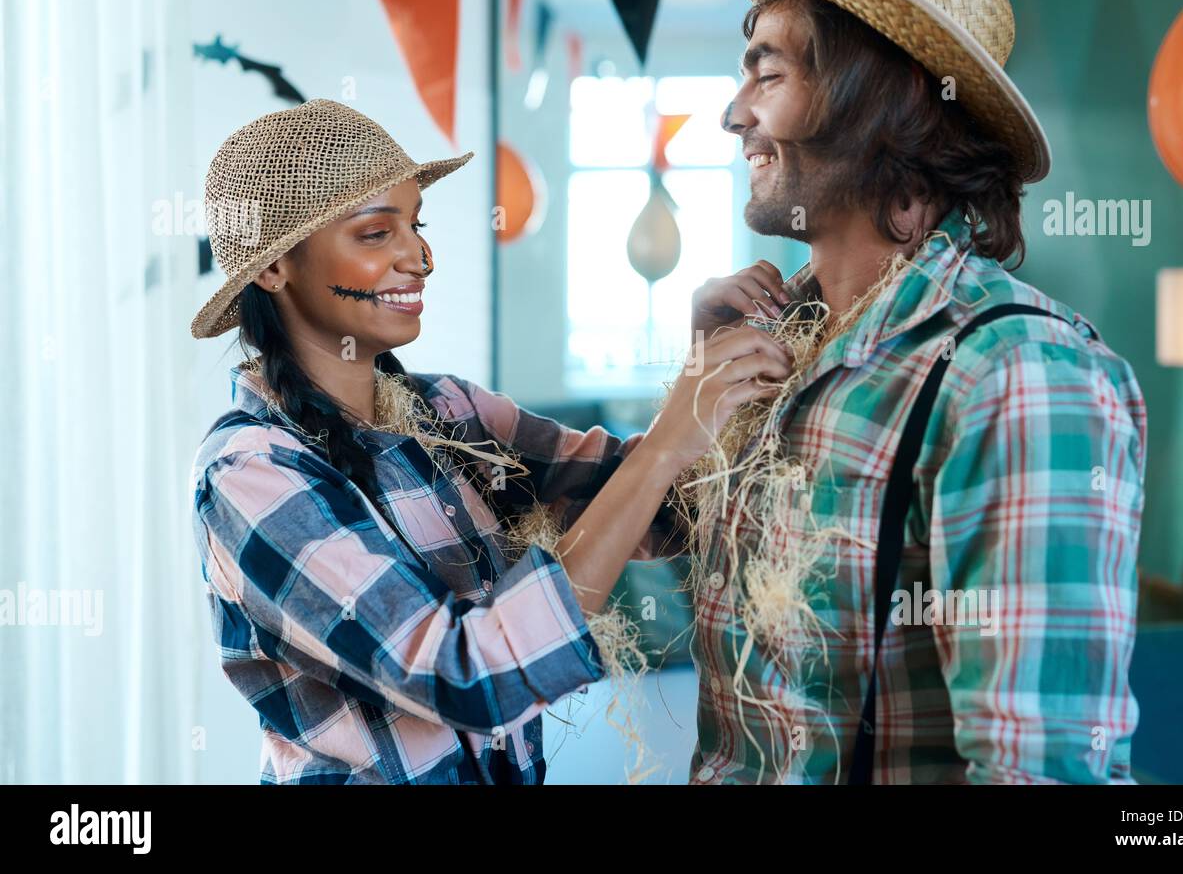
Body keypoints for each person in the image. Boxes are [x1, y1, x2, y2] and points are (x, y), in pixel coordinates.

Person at [188, 98, 793, 784]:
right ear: (274, 269)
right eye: (375, 234)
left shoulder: (452, 411)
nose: (420, 257)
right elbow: (470, 674)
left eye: (416, 226)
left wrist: (700, 365)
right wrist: (663, 445)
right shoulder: (251, 472)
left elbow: (662, 514)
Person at [682, 0, 1147, 784]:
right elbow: (691, 561)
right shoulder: (780, 342)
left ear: (879, 103)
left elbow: (1034, 770)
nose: (732, 112)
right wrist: (698, 396)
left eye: (769, 73)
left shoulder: (1014, 374)